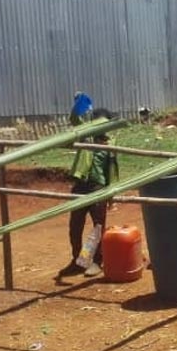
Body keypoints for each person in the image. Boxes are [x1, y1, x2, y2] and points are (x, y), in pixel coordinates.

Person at [59, 108, 118, 278]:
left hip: (98, 188)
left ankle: (96, 262)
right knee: (74, 227)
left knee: (97, 228)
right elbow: (74, 118)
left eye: (104, 123)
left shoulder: (109, 145)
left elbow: (112, 171)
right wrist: (78, 105)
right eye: (97, 122)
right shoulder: (86, 136)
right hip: (80, 186)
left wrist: (111, 196)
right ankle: (78, 261)